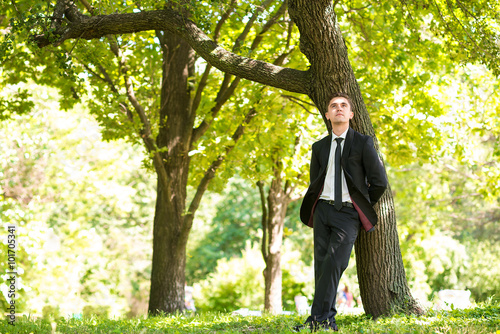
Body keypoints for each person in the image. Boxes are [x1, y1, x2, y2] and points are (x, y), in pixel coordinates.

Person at [295, 92, 388, 332]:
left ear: (351, 114)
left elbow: (379, 183)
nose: (338, 108)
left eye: (343, 105)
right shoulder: (318, 147)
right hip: (323, 211)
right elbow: (315, 181)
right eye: (333, 106)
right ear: (327, 115)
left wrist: (361, 205)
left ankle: (318, 319)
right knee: (321, 266)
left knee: (334, 263)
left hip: (348, 214)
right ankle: (326, 321)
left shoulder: (363, 143)